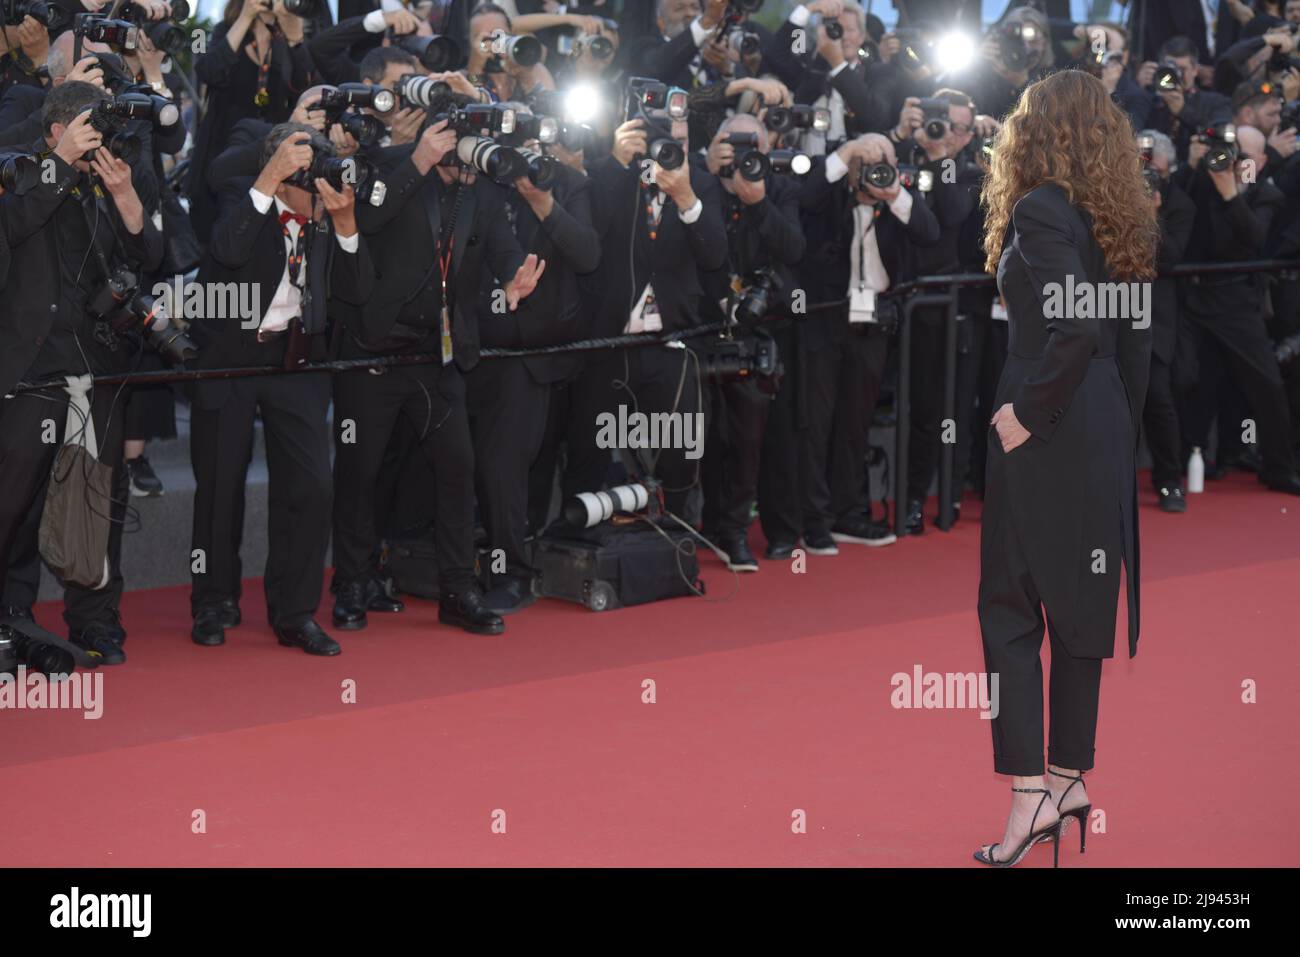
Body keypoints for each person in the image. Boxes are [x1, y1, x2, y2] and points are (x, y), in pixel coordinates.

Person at [974, 70, 1159, 866]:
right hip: (1104, 416)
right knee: (1081, 608)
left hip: (1047, 415)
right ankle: (1069, 777)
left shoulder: (1041, 207)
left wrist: (1028, 413)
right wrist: (1120, 426)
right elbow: (1135, 337)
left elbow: (1073, 327)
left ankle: (1028, 801)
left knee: (1010, 609)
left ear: (1033, 131)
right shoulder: (1122, 214)